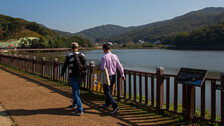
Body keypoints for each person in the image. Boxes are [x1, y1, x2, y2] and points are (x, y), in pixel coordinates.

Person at [61, 42, 86, 116]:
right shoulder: (82, 55)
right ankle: (74, 104)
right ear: (78, 48)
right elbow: (85, 66)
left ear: (71, 48)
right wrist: (84, 77)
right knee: (76, 90)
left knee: (75, 91)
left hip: (73, 75)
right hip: (80, 75)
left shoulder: (69, 55)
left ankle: (80, 109)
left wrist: (62, 74)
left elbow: (65, 65)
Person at [100, 43, 126, 114]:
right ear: (110, 49)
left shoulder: (104, 57)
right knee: (110, 90)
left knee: (106, 92)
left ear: (104, 49)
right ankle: (107, 104)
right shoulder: (115, 56)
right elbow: (119, 66)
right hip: (113, 76)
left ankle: (115, 105)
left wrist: (99, 67)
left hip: (107, 77)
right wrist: (122, 74)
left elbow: (102, 67)